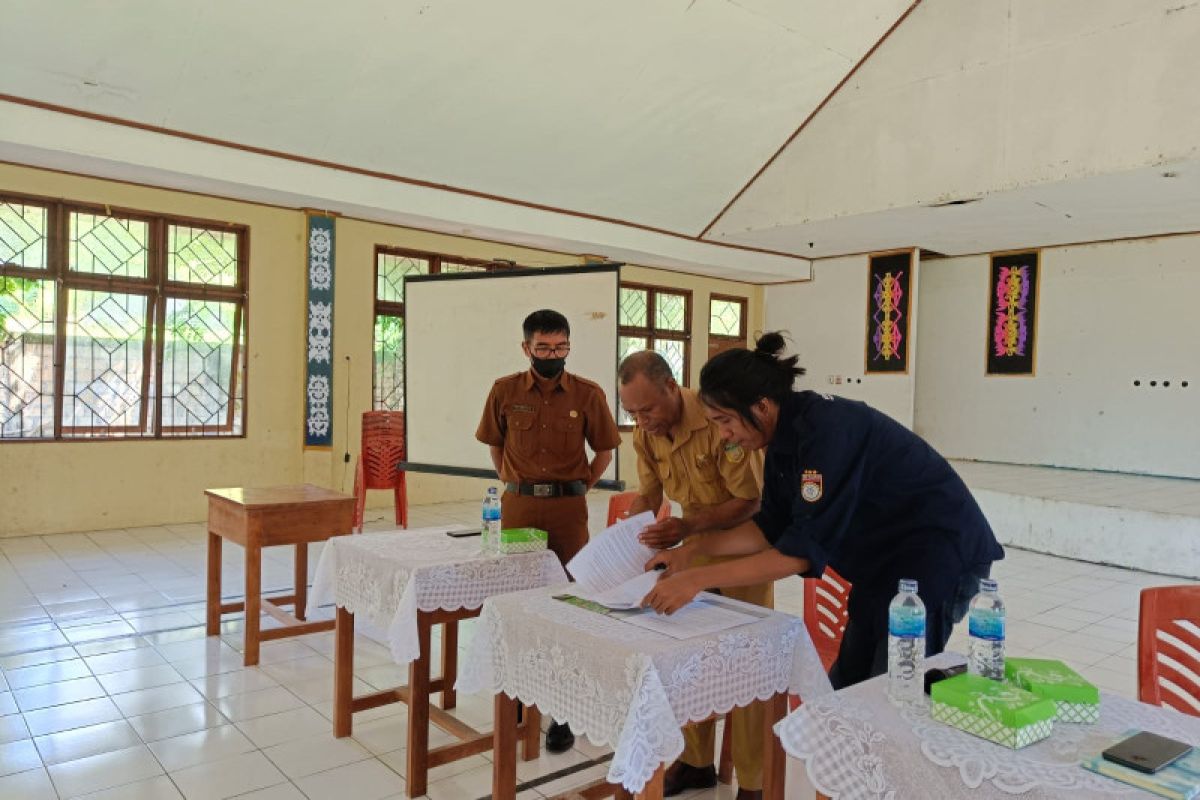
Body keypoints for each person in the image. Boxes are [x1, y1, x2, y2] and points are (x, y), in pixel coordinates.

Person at [643, 332, 1004, 691]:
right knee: (845, 687)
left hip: (936, 556)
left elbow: (798, 554)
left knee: (892, 690)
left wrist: (696, 579)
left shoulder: (826, 432)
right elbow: (769, 527)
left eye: (725, 420)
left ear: (762, 406)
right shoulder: (780, 440)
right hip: (882, 564)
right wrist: (693, 551)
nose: (724, 435)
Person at [617, 351, 770, 800]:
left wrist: (688, 527)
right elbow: (648, 494)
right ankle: (695, 762)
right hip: (693, 553)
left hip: (744, 550)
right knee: (691, 658)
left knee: (746, 664)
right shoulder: (646, 434)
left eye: (648, 409)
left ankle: (754, 783)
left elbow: (750, 501)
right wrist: (628, 538)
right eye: (631, 413)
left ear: (671, 388)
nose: (642, 421)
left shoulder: (718, 421)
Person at [476, 308, 621, 752]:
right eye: (544, 348)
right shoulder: (503, 391)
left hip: (567, 511)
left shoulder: (588, 393)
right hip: (517, 508)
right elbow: (496, 444)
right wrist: (514, 484)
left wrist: (581, 487)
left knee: (570, 601)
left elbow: (604, 451)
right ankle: (520, 698)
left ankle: (562, 708)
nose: (552, 355)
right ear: (527, 348)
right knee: (517, 599)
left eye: (560, 348)